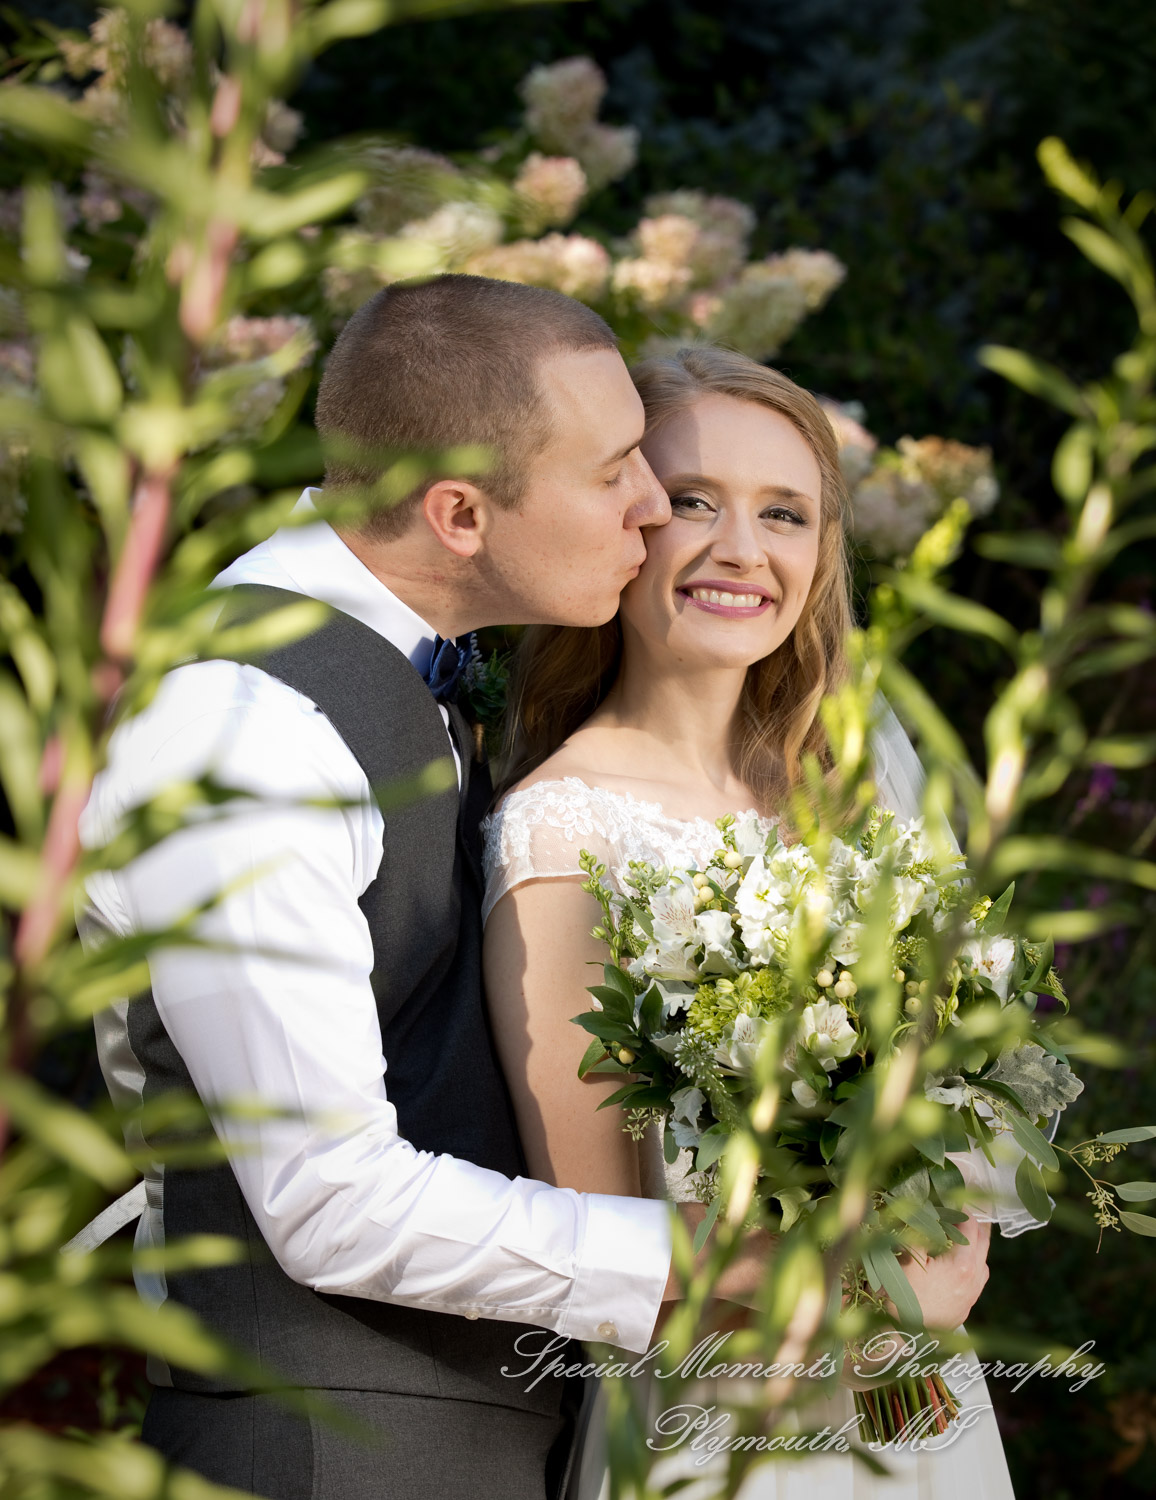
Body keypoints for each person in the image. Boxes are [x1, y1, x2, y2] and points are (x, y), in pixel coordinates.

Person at [80, 277, 769, 1500]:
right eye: (613, 471)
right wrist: (711, 1256)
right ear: (459, 512)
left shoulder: (414, 680)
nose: (653, 509)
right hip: (323, 1451)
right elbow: (327, 1197)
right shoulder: (245, 728)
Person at [481, 345, 1019, 1498]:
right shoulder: (564, 831)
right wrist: (858, 1290)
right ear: (626, 522)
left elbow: (965, 1090)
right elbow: (595, 1246)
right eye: (691, 504)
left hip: (921, 1408)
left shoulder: (859, 782)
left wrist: (941, 1236)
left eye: (785, 512)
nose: (741, 549)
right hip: (725, 1428)